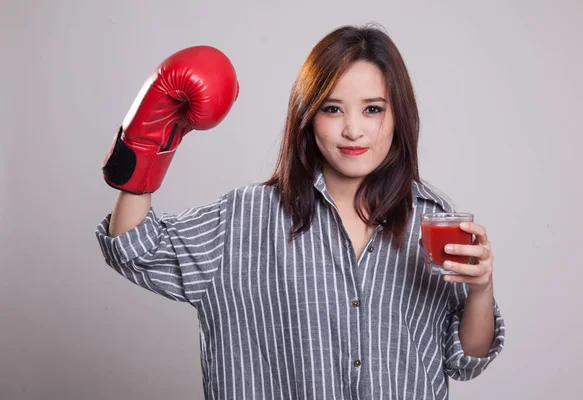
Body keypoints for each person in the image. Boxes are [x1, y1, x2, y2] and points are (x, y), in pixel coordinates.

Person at [95, 24, 505, 400]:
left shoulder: (431, 216)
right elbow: (135, 248)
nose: (353, 130)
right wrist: (149, 134)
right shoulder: (244, 218)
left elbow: (463, 359)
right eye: (332, 108)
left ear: (398, 114)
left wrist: (481, 288)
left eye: (373, 109)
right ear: (307, 116)